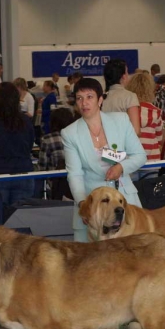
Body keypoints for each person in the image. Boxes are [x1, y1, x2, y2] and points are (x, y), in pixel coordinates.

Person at [61, 78, 146, 242]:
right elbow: (75, 174)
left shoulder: (121, 121)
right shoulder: (70, 133)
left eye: (89, 97)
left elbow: (140, 156)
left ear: (100, 100)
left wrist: (121, 167)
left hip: (124, 205)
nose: (84, 103)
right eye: (79, 98)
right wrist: (83, 205)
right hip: (94, 209)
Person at [39, 107, 75, 200]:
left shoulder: (47, 140)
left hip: (56, 187)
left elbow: (42, 168)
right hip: (76, 185)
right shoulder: (78, 138)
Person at [126, 73, 164, 162]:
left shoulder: (127, 111)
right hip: (152, 158)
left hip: (131, 159)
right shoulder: (156, 112)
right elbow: (159, 138)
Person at [101, 58, 140, 135]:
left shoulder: (100, 98)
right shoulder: (130, 96)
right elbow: (136, 131)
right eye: (127, 72)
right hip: (123, 144)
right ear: (123, 76)